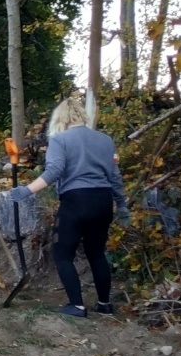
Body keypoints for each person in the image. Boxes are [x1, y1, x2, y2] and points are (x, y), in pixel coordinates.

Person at [10, 95, 130, 318]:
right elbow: (115, 178)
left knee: (63, 252)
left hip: (76, 201)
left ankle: (77, 305)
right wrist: (122, 205)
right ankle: (104, 304)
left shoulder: (60, 140)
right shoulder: (106, 140)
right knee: (96, 253)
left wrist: (26, 191)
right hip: (103, 202)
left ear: (61, 118)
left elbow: (54, 172)